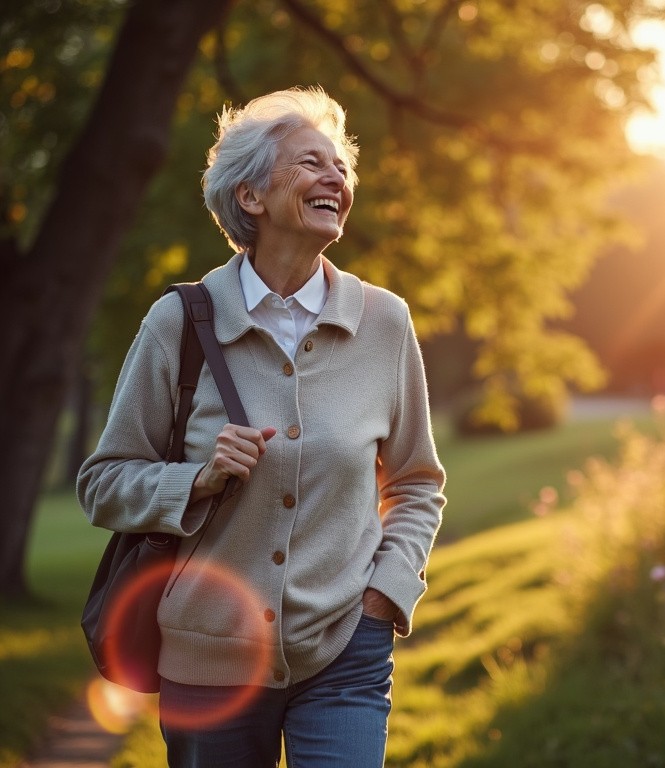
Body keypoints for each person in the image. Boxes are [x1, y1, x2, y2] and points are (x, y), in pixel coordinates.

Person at [78, 86, 446, 767]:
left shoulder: (385, 323)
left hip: (344, 650)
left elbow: (417, 483)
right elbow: (103, 484)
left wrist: (386, 595)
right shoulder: (180, 324)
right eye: (312, 163)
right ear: (250, 196)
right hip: (207, 661)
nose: (336, 177)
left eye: (340, 167)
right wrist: (197, 479)